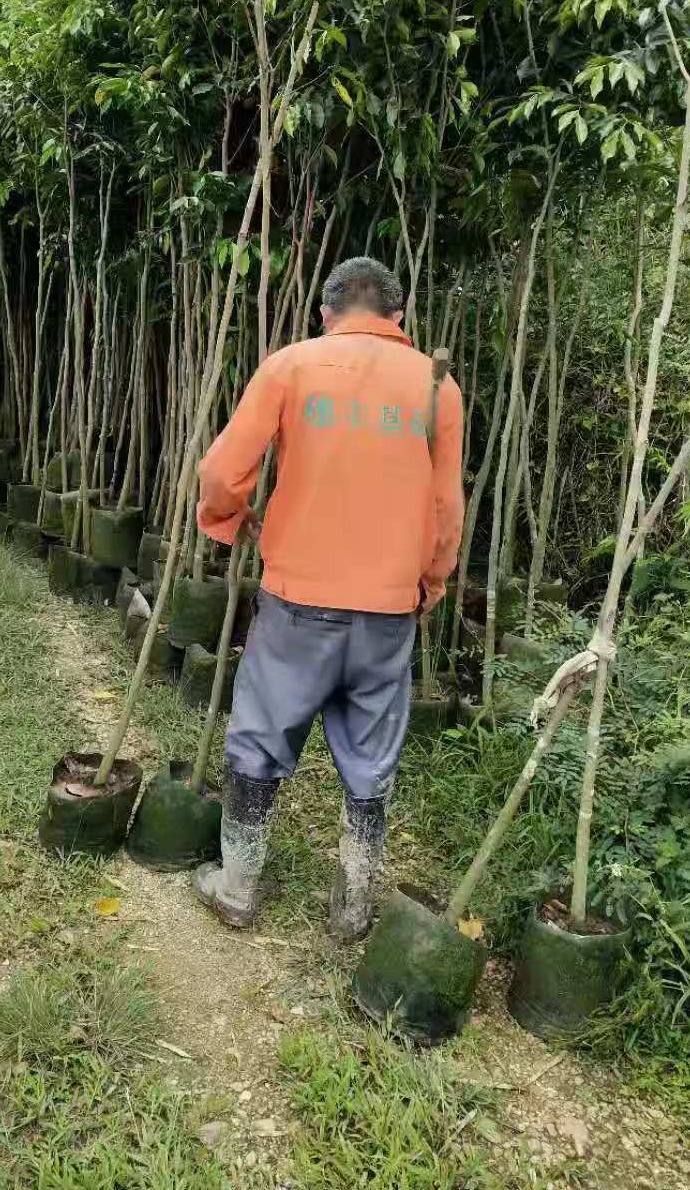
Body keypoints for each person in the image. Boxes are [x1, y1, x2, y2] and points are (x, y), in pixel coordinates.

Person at [192, 256, 465, 940]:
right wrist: (431, 580)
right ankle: (351, 906)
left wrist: (230, 519)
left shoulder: (292, 365)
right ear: (399, 318)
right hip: (387, 609)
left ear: (326, 312)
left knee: (259, 739)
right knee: (371, 759)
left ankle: (238, 886)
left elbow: (223, 470)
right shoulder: (439, 387)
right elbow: (446, 507)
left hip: (297, 601)